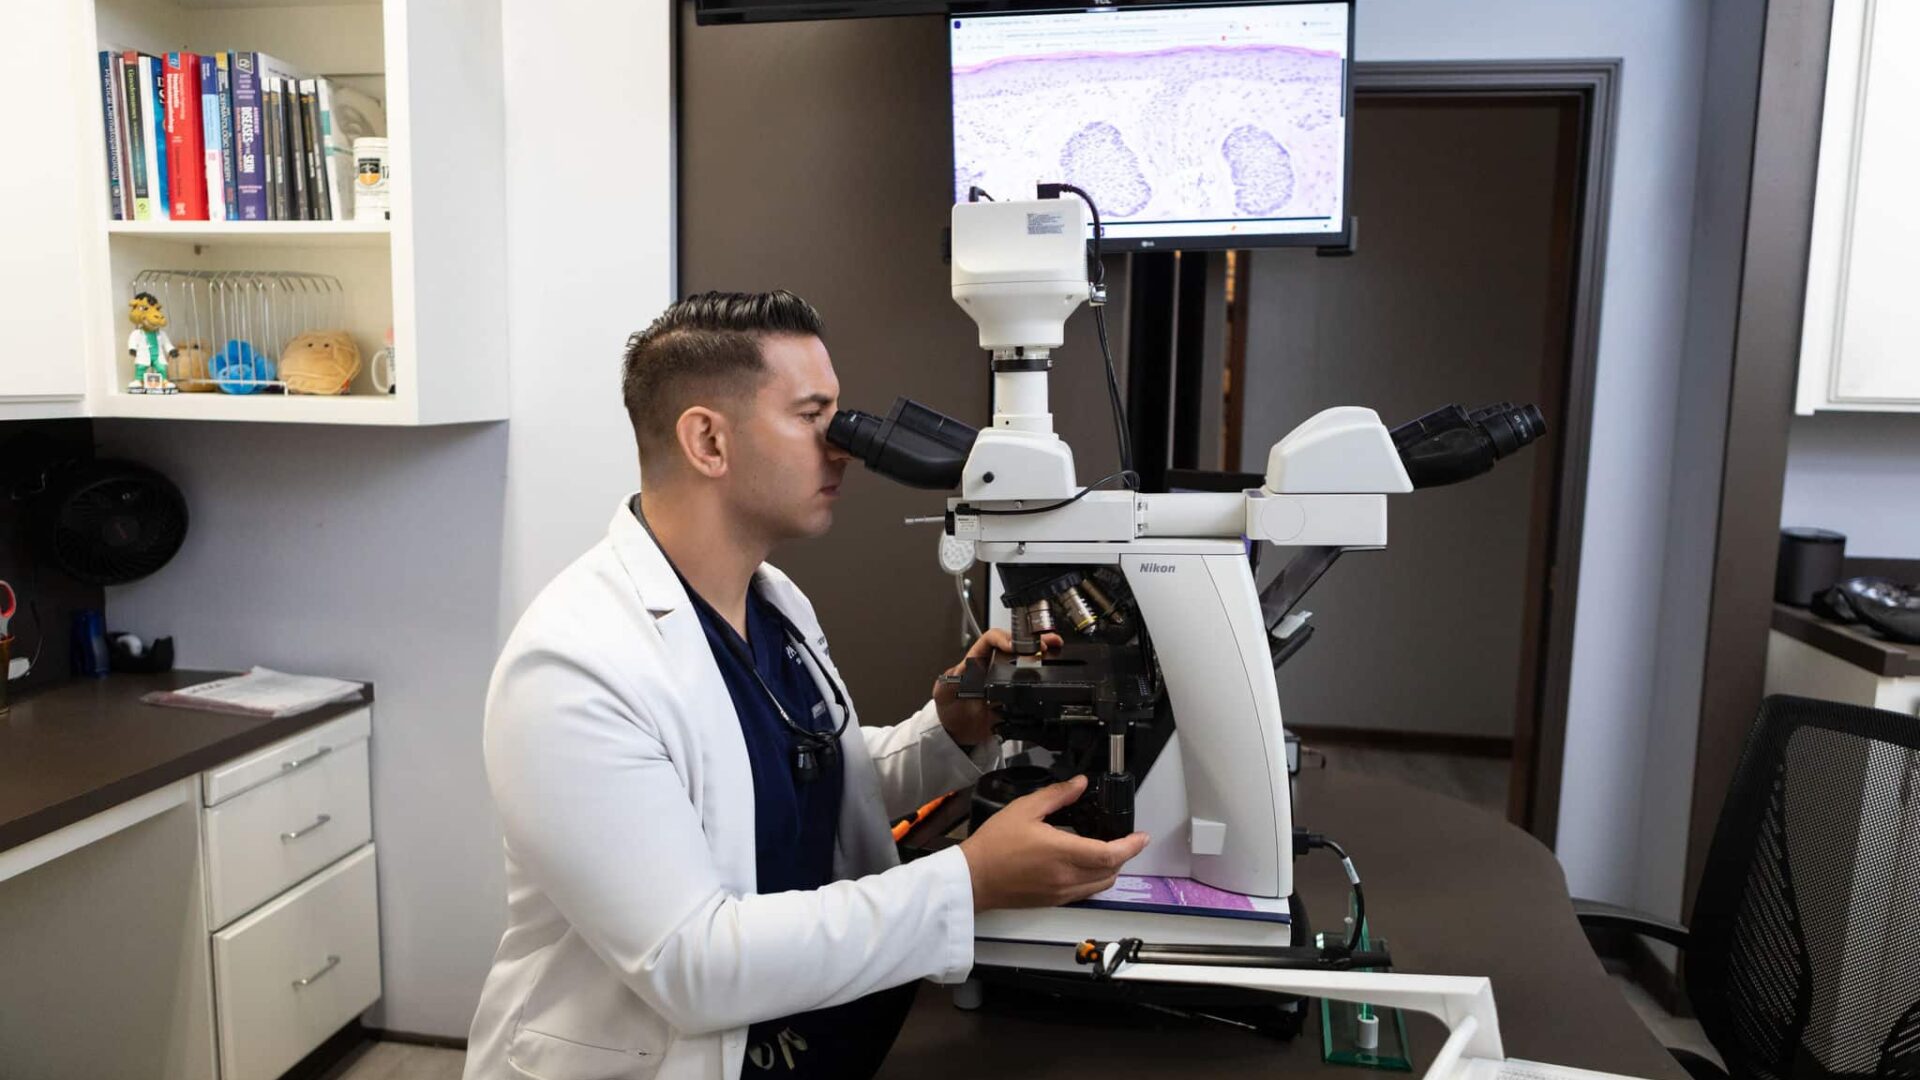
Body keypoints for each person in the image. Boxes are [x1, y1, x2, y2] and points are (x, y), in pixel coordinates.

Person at [464, 290, 1150, 1080]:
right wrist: (967, 879)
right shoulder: (572, 668)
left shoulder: (773, 601)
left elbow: (793, 772)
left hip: (814, 1037)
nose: (844, 447)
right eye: (812, 416)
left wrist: (948, 731)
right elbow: (692, 964)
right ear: (708, 441)